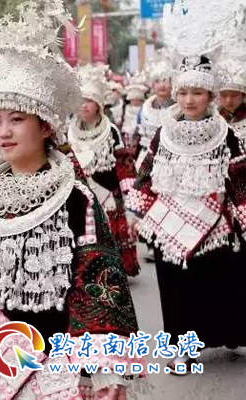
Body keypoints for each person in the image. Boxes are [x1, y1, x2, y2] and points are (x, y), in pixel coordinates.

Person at [0, 2, 143, 398]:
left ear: (45, 126)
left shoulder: (75, 199)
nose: (3, 133)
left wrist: (104, 369)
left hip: (51, 356)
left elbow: (97, 284)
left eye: (17, 119)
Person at [127, 51, 246, 369]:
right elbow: (146, 173)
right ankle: (183, 347)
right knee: (175, 288)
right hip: (167, 223)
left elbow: (239, 179)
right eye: (183, 92)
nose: (189, 100)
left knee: (218, 283)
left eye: (197, 92)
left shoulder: (225, 133)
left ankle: (227, 333)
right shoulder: (163, 132)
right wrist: (135, 214)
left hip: (214, 224)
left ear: (210, 95)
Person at [67, 64, 140, 277]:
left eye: (89, 100)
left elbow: (124, 166)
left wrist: (130, 199)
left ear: (99, 104)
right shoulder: (68, 132)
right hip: (78, 195)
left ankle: (112, 273)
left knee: (109, 236)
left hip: (108, 195)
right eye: (80, 100)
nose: (83, 105)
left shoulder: (111, 131)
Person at [133, 59, 175, 170]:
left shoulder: (179, 108)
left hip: (171, 159)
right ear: (152, 85)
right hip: (146, 157)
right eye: (157, 81)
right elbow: (137, 136)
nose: (162, 85)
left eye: (165, 81)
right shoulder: (144, 109)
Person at [218, 59, 246, 143]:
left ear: (243, 95)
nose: (228, 100)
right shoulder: (214, 116)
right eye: (224, 95)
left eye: (234, 95)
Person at [121, 72, 148, 148]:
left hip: (139, 131)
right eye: (133, 100)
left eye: (137, 100)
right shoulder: (127, 108)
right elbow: (127, 119)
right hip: (128, 129)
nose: (135, 101)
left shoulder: (143, 108)